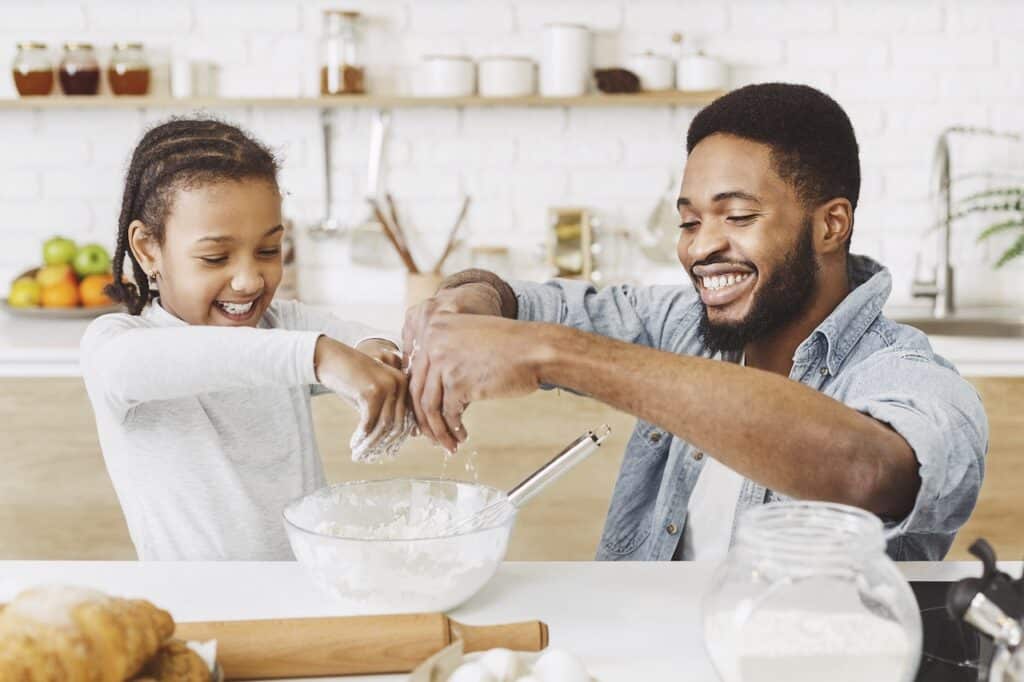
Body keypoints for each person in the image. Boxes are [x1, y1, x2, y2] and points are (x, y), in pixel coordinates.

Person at [402, 83, 988, 561]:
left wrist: (554, 353)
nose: (702, 248)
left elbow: (867, 473)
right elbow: (514, 300)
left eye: (737, 215)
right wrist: (456, 311)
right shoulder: (680, 324)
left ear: (830, 226)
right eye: (688, 223)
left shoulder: (912, 378)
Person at [81, 118, 408, 560]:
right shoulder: (119, 344)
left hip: (308, 593)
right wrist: (318, 354)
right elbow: (163, 361)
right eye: (216, 257)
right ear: (147, 249)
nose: (250, 280)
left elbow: (371, 340)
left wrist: (373, 353)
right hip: (199, 609)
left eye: (269, 251)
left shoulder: (281, 324)